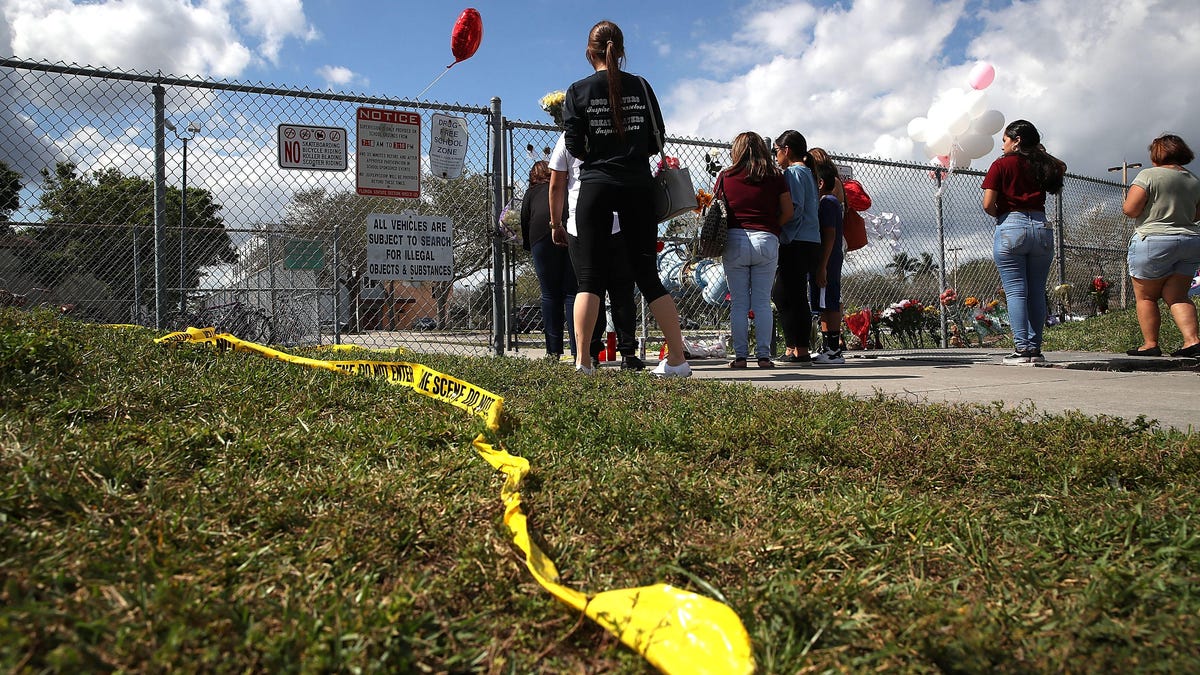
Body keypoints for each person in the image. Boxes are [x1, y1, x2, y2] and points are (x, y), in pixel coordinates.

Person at [561, 20, 690, 377]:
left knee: (588, 278)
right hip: (637, 184)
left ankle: (584, 362)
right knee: (648, 276)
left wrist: (601, 156)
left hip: (596, 184)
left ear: (590, 52)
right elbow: (656, 138)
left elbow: (574, 146)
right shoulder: (642, 86)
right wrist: (629, 153)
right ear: (621, 50)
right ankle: (678, 360)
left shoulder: (577, 90)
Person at [548, 132, 645, 371]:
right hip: (619, 221)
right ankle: (628, 352)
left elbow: (557, 183)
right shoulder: (617, 132)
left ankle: (589, 352)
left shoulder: (569, 137)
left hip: (581, 224)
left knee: (589, 287)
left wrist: (555, 223)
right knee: (622, 289)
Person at [981, 119, 1065, 365]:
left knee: (1016, 290)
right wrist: (1039, 151)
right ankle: (1035, 349)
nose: (1002, 146)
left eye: (1005, 140)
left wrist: (1005, 217)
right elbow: (1062, 166)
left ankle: (1022, 349)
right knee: (1037, 290)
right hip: (1041, 227)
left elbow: (988, 204)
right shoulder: (1043, 165)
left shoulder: (1000, 165)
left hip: (1011, 226)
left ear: (1016, 141)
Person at [717, 132, 792, 368]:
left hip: (735, 239)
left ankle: (740, 357)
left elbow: (717, 210)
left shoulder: (725, 176)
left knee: (739, 302)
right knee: (761, 301)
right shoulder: (775, 176)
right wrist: (771, 228)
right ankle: (763, 356)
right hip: (766, 239)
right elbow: (788, 211)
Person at [1121, 133, 1200, 358]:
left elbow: (1130, 209)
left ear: (1157, 153)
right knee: (1178, 295)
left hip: (1153, 240)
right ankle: (1192, 341)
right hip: (1190, 240)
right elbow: (1197, 213)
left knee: (1146, 296)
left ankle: (1150, 344)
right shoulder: (1193, 179)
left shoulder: (1148, 175)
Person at [771, 130, 821, 364]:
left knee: (787, 294)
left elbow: (795, 208)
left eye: (776, 150)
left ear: (786, 150)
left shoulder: (793, 172)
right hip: (810, 240)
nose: (776, 156)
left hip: (796, 240)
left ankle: (798, 348)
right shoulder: (808, 173)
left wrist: (783, 234)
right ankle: (796, 347)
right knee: (791, 294)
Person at [520, 160, 577, 360]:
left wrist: (529, 245)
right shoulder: (565, 187)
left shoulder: (531, 193)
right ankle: (578, 350)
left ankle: (553, 351)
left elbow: (524, 219)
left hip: (540, 236)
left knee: (550, 294)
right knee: (572, 291)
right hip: (569, 229)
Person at [810, 158, 846, 364]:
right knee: (824, 305)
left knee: (829, 303)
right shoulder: (827, 202)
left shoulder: (828, 202)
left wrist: (822, 266)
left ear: (821, 183)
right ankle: (828, 347)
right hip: (826, 261)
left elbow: (830, 235)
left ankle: (833, 349)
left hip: (828, 261)